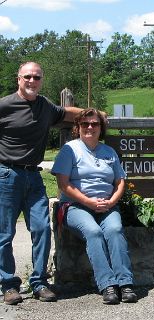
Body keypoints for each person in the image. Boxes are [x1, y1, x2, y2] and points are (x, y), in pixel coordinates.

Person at [0, 61, 83, 305]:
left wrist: (95, 115)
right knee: (5, 234)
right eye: (27, 77)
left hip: (34, 177)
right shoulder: (4, 106)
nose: (32, 81)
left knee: (41, 229)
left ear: (41, 80)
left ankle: (38, 282)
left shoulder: (45, 106)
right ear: (18, 79)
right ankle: (8, 285)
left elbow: (68, 114)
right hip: (7, 175)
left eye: (36, 77)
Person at [51, 108, 137, 305]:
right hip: (75, 206)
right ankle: (107, 284)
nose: (90, 127)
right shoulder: (70, 150)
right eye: (85, 124)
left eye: (95, 124)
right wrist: (88, 201)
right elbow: (63, 184)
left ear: (101, 127)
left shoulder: (109, 152)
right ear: (78, 127)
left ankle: (125, 284)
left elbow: (120, 181)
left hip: (107, 205)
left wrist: (113, 201)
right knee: (93, 231)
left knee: (115, 230)